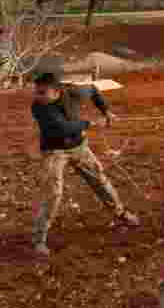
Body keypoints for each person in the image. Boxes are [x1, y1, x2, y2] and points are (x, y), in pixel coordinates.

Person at [30, 72, 140, 256]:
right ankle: (39, 239)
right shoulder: (39, 108)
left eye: (42, 92)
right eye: (36, 92)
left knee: (100, 180)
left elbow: (94, 89)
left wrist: (106, 111)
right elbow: (63, 128)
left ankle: (121, 213)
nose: (37, 97)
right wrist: (90, 123)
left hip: (79, 147)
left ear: (57, 92)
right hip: (54, 151)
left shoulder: (74, 92)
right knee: (53, 193)